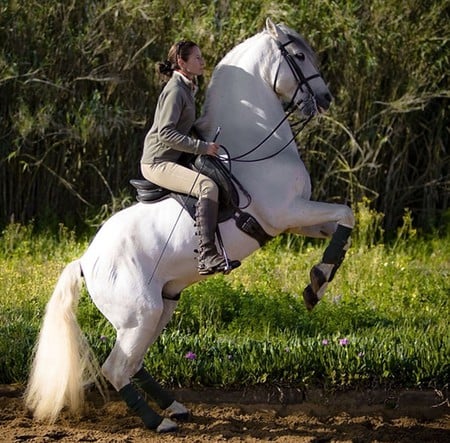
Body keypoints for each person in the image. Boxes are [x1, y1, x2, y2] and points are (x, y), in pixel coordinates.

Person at [140, 40, 240, 275]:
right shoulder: (176, 90)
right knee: (207, 187)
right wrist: (202, 147)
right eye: (197, 58)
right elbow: (165, 133)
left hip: (172, 157)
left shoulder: (187, 87)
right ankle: (206, 256)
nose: (202, 61)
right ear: (181, 62)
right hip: (157, 161)